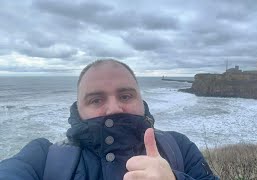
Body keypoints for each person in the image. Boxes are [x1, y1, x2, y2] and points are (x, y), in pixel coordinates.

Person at [0, 59, 219, 180]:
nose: (113, 109)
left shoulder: (179, 146)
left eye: (125, 96)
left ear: (142, 102)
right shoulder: (42, 157)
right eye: (96, 100)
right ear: (78, 110)